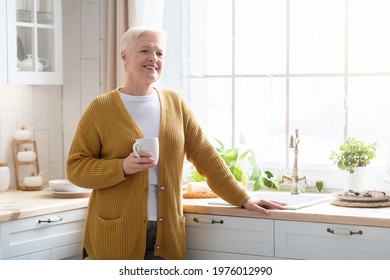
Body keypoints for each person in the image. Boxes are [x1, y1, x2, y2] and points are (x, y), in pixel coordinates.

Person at [66, 26, 287, 260]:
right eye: (144, 50)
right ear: (124, 56)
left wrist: (243, 198)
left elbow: (205, 156)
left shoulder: (175, 103)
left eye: (159, 53)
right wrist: (122, 167)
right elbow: (75, 168)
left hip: (166, 230)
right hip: (114, 233)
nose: (153, 58)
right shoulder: (101, 108)